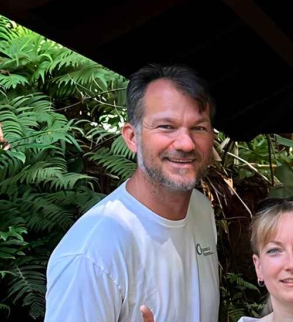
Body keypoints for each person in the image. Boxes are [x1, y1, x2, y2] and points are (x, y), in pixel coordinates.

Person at [46, 64, 221, 321]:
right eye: (166, 126)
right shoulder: (92, 253)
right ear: (132, 137)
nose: (185, 143)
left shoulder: (201, 210)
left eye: (199, 128)